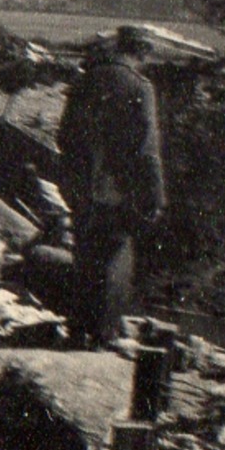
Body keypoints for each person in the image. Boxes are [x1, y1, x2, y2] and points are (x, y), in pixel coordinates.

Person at [56, 25, 166, 347]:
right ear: (142, 52)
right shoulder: (140, 87)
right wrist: (154, 196)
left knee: (84, 255)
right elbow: (147, 149)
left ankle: (77, 329)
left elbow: (64, 135)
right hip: (119, 190)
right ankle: (102, 335)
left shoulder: (86, 80)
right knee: (115, 258)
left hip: (81, 186)